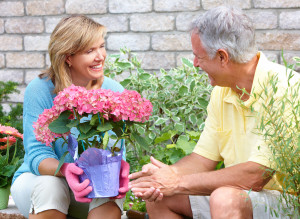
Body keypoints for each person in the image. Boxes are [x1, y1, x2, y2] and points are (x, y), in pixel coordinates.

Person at [129, 6, 299, 219]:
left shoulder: (286, 88)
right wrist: (165, 176)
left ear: (222, 57)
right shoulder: (222, 91)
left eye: (198, 56)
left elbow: (256, 176)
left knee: (224, 198)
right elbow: (202, 159)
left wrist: (178, 183)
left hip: (287, 202)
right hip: (239, 196)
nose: (195, 64)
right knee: (161, 195)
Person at [11, 15, 130, 219]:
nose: (100, 56)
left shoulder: (114, 91)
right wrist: (67, 170)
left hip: (87, 188)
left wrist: (120, 170)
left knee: (109, 190)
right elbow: (37, 154)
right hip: (40, 180)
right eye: (89, 50)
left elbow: (115, 151)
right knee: (52, 188)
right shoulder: (40, 89)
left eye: (101, 46)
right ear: (68, 57)